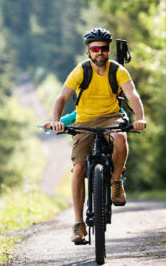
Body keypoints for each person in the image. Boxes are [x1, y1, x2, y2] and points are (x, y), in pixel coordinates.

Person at [43, 28, 146, 244]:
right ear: (88, 51)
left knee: (120, 137)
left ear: (109, 51)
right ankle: (78, 224)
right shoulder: (81, 71)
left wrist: (140, 117)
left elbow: (132, 94)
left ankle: (116, 181)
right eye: (95, 49)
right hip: (84, 121)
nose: (100, 53)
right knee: (79, 168)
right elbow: (62, 97)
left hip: (111, 117)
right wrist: (55, 120)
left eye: (104, 49)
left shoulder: (117, 71)